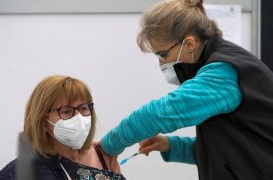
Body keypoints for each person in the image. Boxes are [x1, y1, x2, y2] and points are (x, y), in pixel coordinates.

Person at [99, 0, 273, 179]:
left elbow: (159, 114)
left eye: (162, 54)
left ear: (189, 44)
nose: (161, 63)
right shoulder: (222, 61)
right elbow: (223, 153)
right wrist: (169, 145)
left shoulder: (223, 74)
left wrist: (105, 149)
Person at [0, 75, 126, 180]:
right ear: (42, 120)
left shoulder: (104, 157)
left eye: (83, 108)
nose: (79, 118)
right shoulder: (19, 173)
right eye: (66, 111)